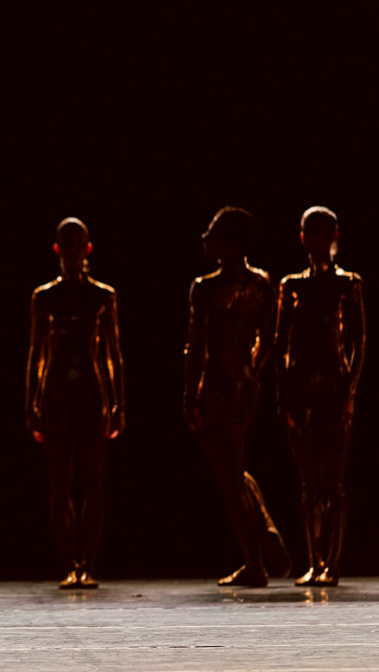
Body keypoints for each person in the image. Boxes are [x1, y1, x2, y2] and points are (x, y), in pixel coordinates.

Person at [184, 206, 290, 587]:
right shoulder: (263, 284)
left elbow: (195, 347)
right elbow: (270, 341)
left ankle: (256, 559)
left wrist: (188, 394)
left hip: (216, 387)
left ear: (228, 244)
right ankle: (264, 529)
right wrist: (251, 374)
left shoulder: (205, 287)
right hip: (245, 385)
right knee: (236, 465)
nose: (204, 238)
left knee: (228, 479)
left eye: (211, 233)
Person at [26, 218, 124, 589]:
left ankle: (89, 563)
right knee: (60, 485)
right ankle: (70, 563)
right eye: (65, 245)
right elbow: (36, 354)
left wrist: (119, 404)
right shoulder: (44, 297)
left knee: (94, 483)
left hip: (92, 394)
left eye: (76, 244)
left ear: (87, 249)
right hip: (55, 396)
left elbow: (114, 355)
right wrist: (31, 403)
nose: (70, 252)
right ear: (57, 250)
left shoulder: (103, 296)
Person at [276, 206, 365, 586]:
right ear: (302, 239)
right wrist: (284, 397)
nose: (316, 241)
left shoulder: (349, 284)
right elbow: (282, 345)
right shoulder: (291, 286)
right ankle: (314, 560)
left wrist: (349, 388)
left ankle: (333, 560)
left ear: (335, 237)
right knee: (310, 480)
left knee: (334, 479)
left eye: (323, 233)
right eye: (310, 233)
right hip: (302, 389)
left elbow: (359, 340)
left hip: (335, 385)